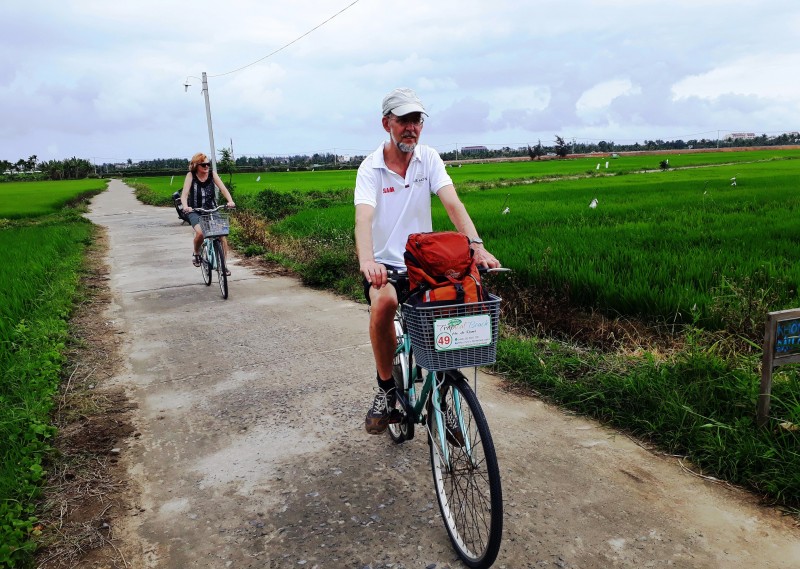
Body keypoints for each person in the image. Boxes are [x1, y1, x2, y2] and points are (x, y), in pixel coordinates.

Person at [354, 87, 501, 435]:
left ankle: (443, 395)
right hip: (386, 266)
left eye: (417, 120)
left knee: (449, 313)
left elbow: (453, 204)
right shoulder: (370, 168)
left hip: (425, 264)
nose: (412, 128)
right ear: (386, 123)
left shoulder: (429, 158)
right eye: (404, 120)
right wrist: (367, 260)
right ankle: (387, 388)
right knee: (385, 302)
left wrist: (476, 247)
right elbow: (363, 219)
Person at [180, 152, 236, 274]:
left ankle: (223, 265)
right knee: (200, 233)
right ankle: (196, 252)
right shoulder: (191, 176)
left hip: (212, 209)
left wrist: (230, 201)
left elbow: (223, 189)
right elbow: (184, 195)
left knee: (222, 235)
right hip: (195, 211)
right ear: (196, 165)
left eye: (208, 164)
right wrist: (186, 207)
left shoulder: (212, 175)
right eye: (203, 165)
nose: (206, 167)